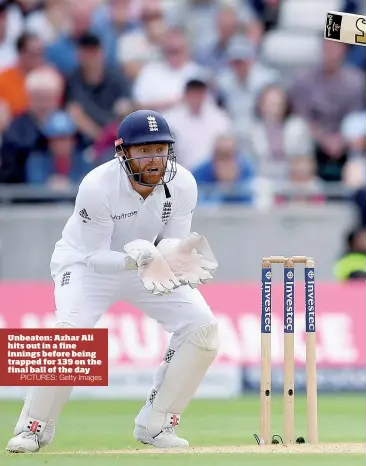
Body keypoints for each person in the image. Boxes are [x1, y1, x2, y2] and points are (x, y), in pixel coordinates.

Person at [6, 109, 219, 453]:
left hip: (146, 264)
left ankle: (157, 424)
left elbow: (172, 241)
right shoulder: (97, 186)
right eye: (144, 150)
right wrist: (132, 259)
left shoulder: (183, 184)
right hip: (86, 266)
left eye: (161, 150)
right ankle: (33, 428)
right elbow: (92, 255)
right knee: (70, 333)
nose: (154, 159)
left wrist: (173, 258)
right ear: (123, 153)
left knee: (203, 329)